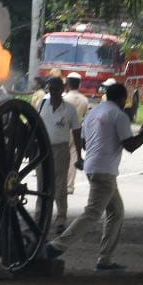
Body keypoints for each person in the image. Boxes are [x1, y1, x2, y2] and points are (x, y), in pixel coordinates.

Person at [46, 83, 143, 271]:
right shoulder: (119, 115)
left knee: (116, 212)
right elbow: (130, 145)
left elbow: (83, 142)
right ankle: (55, 247)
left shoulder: (93, 113)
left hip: (94, 167)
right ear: (123, 99)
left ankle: (105, 260)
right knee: (92, 213)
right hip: (104, 171)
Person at [37, 76, 84, 230]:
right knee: (42, 184)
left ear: (63, 90)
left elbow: (77, 132)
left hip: (61, 149)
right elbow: (36, 125)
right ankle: (40, 217)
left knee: (60, 185)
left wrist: (79, 154)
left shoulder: (69, 109)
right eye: (51, 89)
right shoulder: (42, 104)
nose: (53, 93)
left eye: (56, 90)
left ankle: (61, 219)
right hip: (43, 148)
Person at [64, 72, 91, 192]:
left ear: (67, 84)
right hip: (77, 130)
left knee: (61, 157)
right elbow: (85, 116)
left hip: (63, 130)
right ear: (79, 84)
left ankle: (60, 183)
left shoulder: (64, 98)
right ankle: (69, 185)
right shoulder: (84, 100)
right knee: (74, 158)